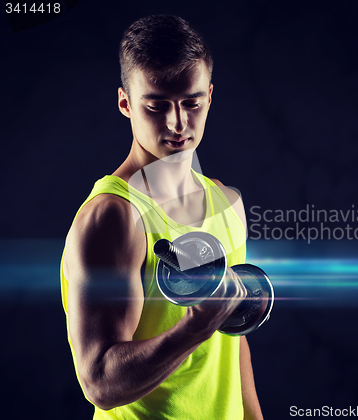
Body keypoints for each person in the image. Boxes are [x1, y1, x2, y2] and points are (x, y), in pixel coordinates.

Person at [60, 14, 264, 419]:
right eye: (156, 105)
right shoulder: (113, 218)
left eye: (192, 103)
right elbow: (99, 380)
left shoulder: (226, 203)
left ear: (209, 96)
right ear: (125, 103)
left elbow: (231, 341)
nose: (177, 123)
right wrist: (193, 328)